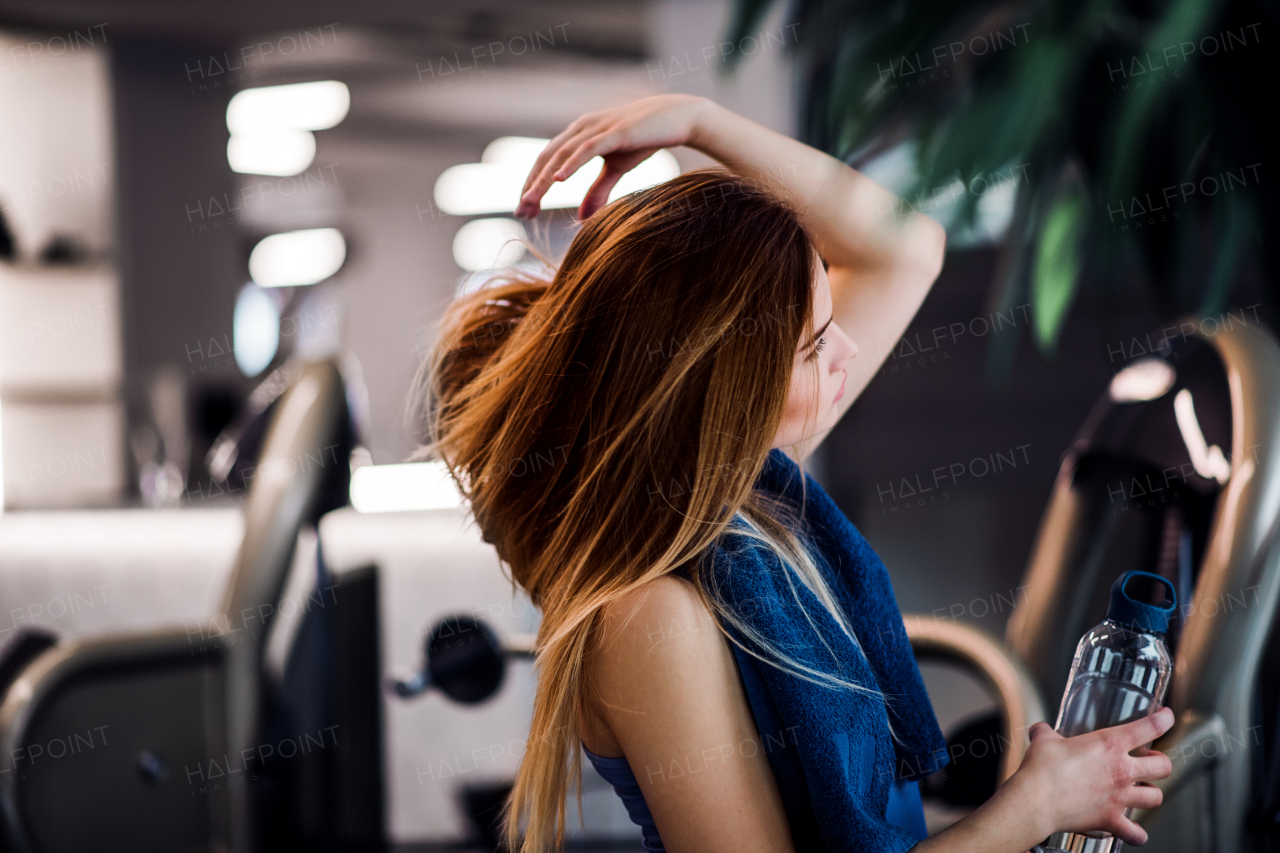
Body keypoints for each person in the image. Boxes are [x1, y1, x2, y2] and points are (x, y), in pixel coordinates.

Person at [415, 94, 1174, 853]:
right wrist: (1034, 805)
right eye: (813, 346)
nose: (846, 350)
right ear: (724, 396)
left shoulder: (747, 498)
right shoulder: (650, 616)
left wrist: (699, 123)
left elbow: (905, 247)